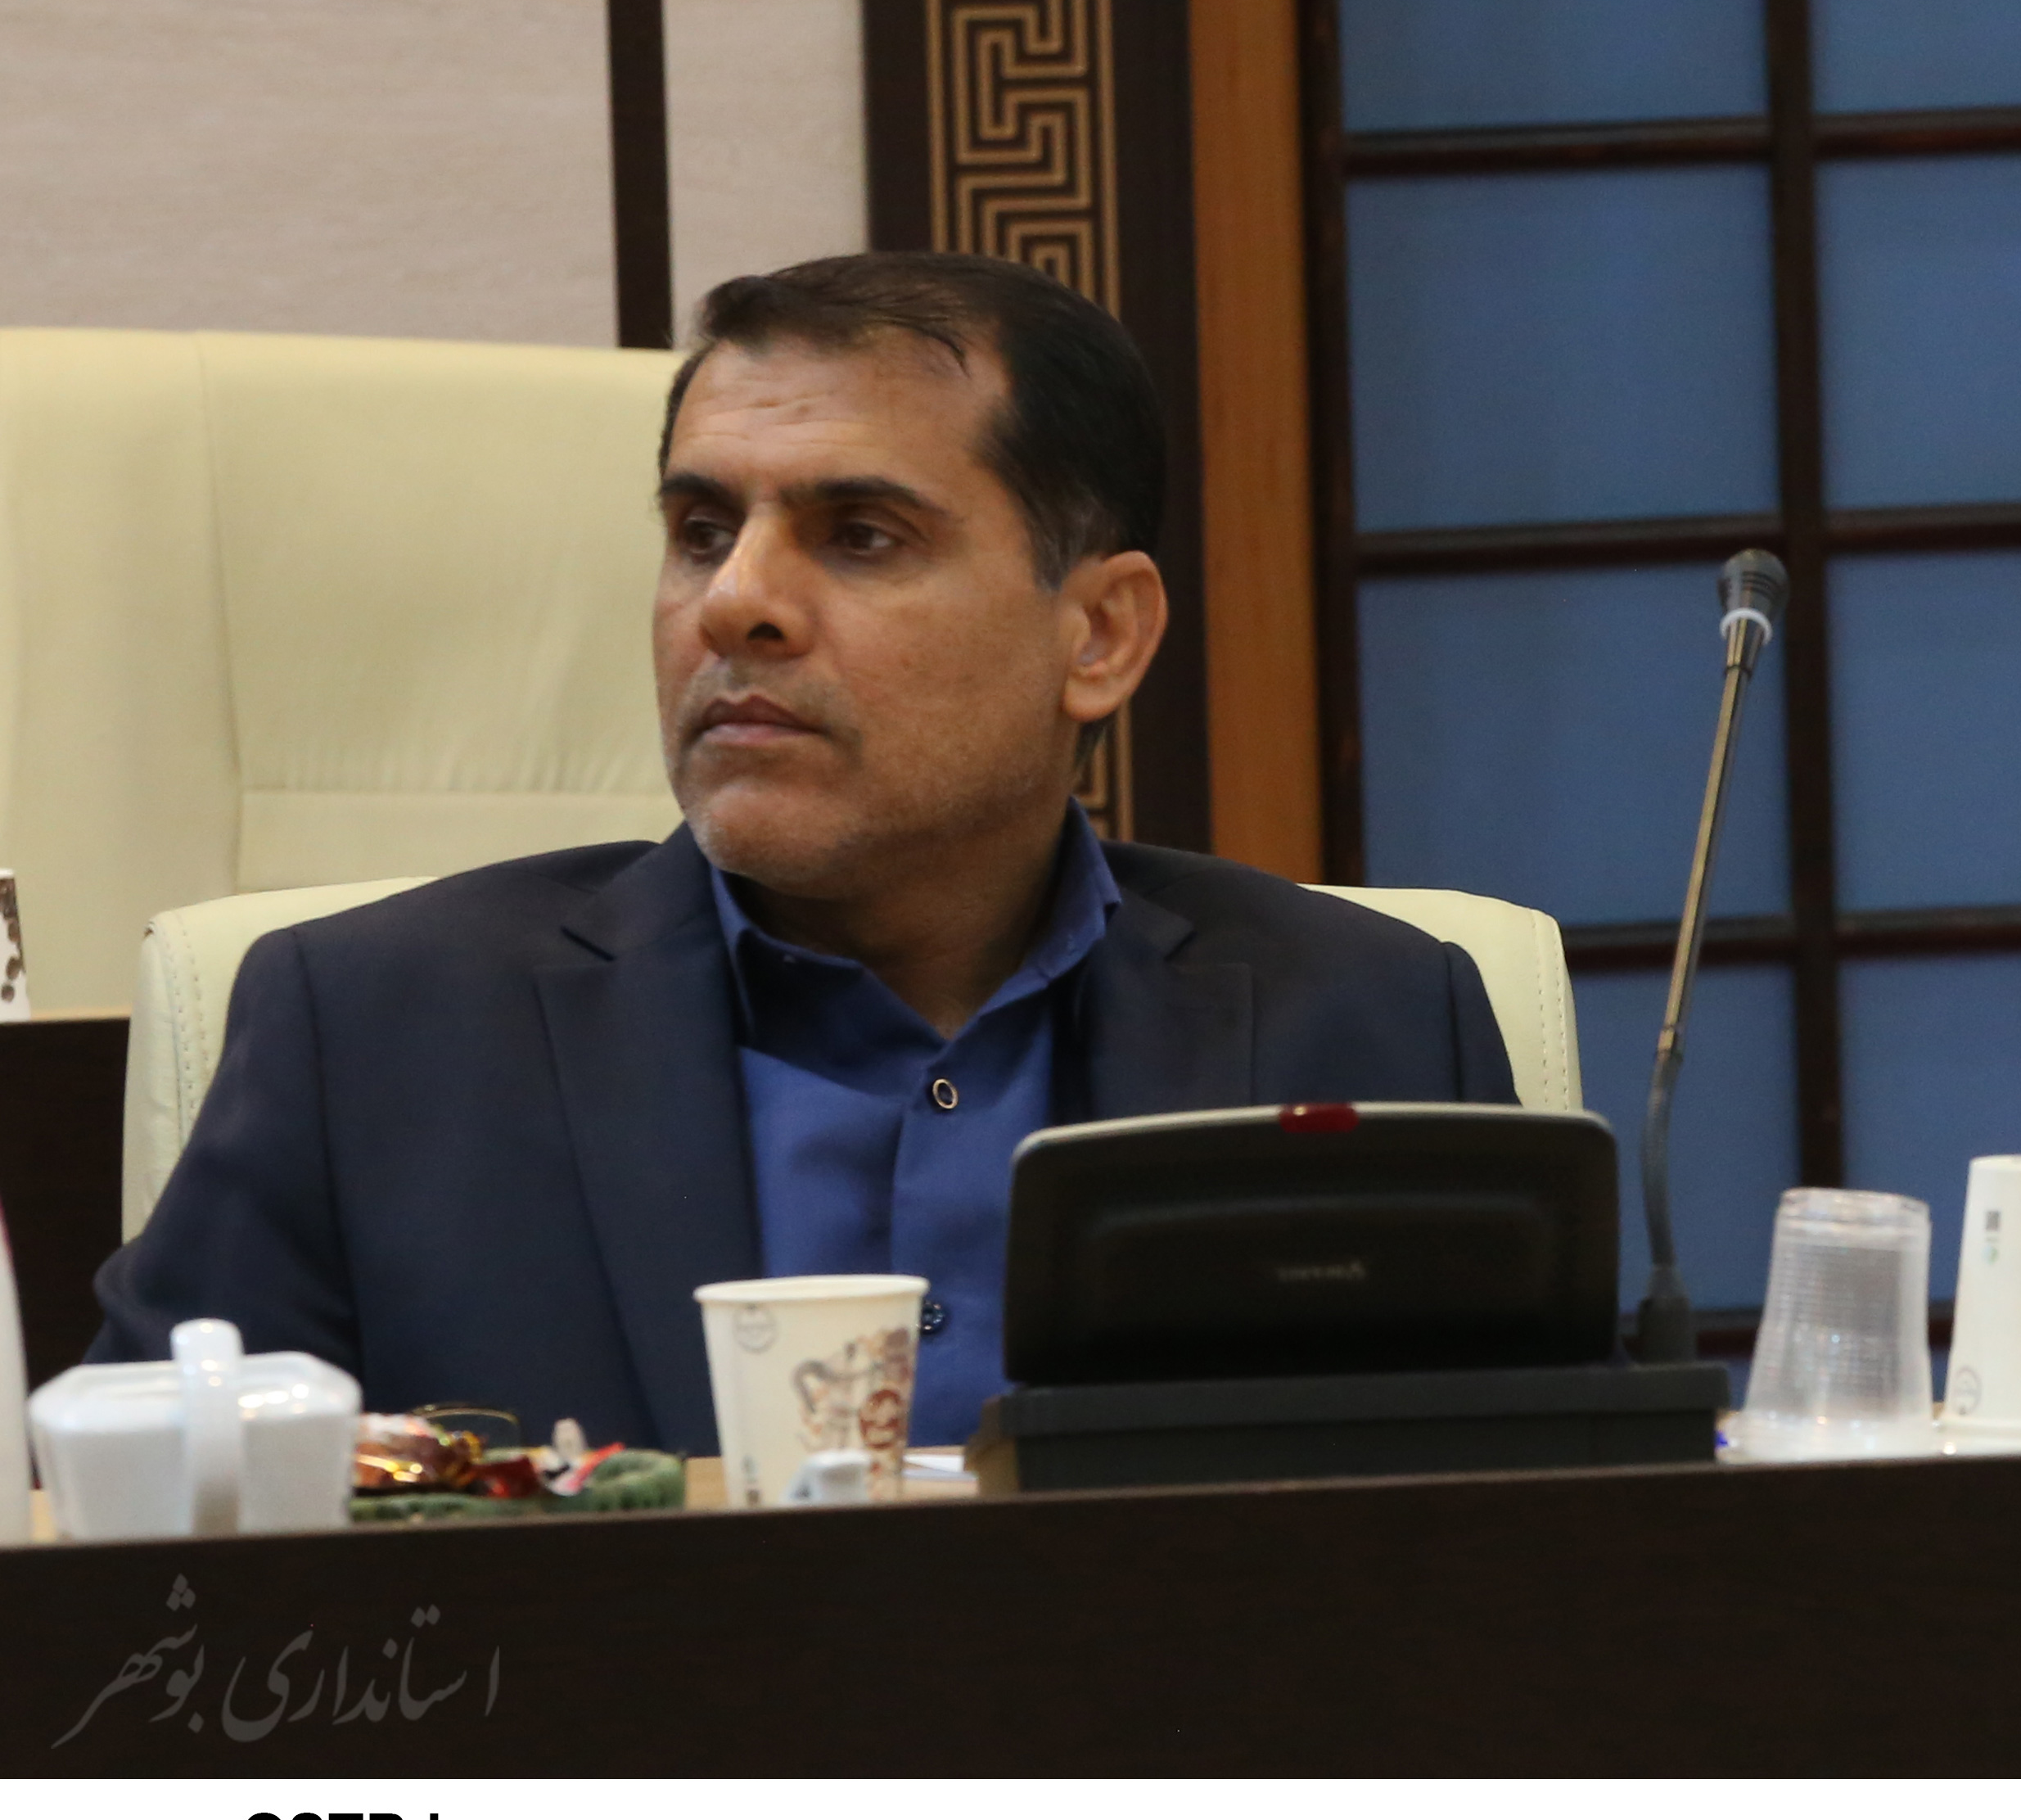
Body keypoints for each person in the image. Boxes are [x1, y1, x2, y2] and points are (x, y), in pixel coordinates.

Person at [94, 253, 1516, 1452]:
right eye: (701, 530)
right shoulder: (373, 1036)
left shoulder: (1376, 1023)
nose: (735, 603)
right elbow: (138, 1588)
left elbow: (1509, 1570)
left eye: (862, 536)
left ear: (1099, 634)